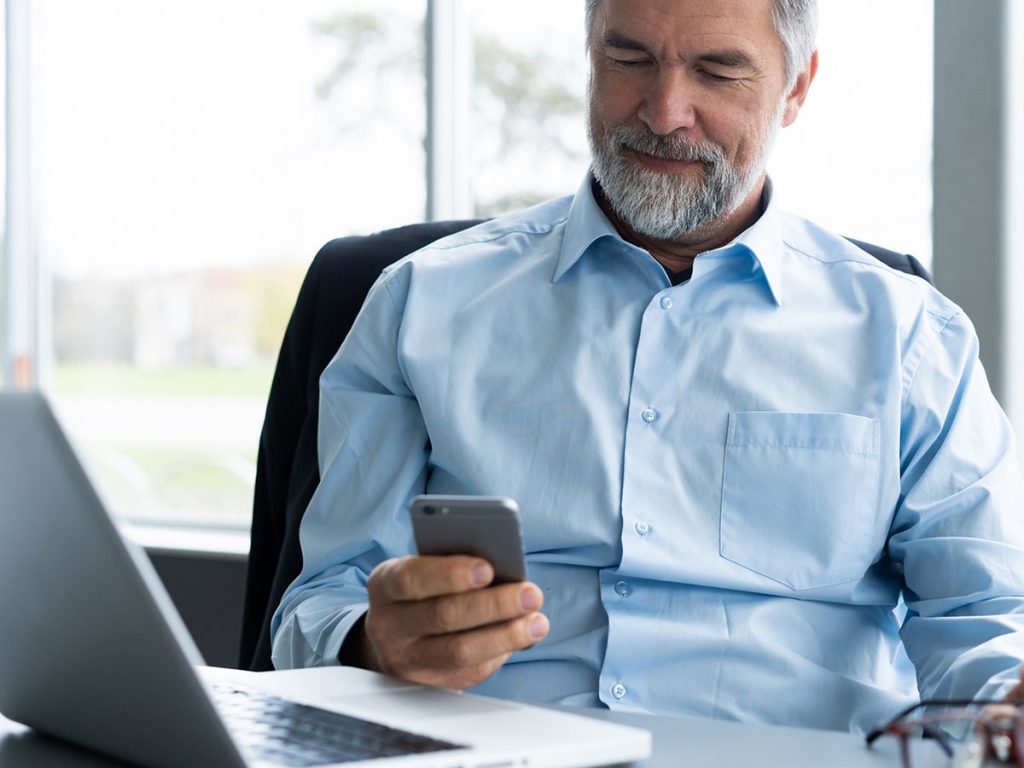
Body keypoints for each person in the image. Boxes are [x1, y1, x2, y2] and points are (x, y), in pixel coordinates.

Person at [271, 0, 1024, 733]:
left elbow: (982, 620)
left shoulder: (911, 339)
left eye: (719, 72)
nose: (664, 112)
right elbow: (315, 606)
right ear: (589, 54)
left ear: (796, 87)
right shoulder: (420, 303)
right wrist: (371, 641)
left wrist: (1009, 705)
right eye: (628, 58)